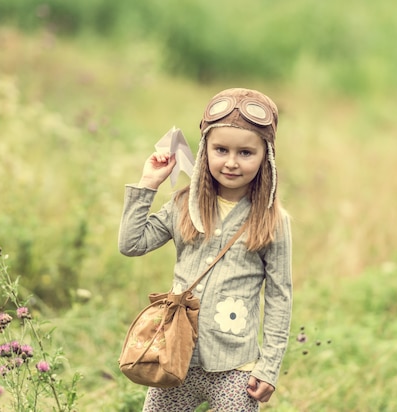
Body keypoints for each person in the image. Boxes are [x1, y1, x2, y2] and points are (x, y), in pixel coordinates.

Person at [118, 88, 292, 411]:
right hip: (175, 358)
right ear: (204, 150)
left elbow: (280, 297)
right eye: (221, 149)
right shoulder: (184, 205)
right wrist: (148, 184)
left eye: (245, 153)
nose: (231, 162)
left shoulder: (273, 221)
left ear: (265, 157)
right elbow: (131, 243)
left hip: (237, 369)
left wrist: (268, 366)